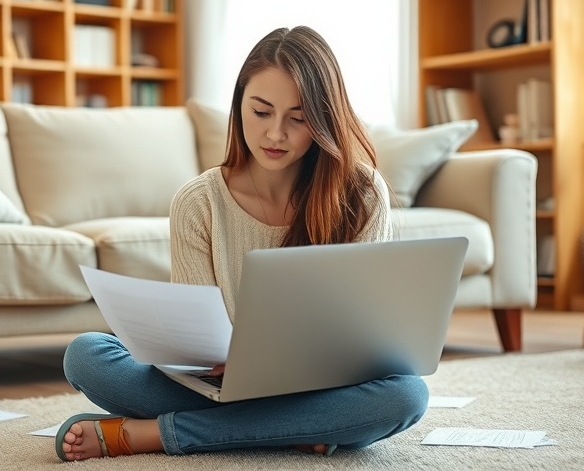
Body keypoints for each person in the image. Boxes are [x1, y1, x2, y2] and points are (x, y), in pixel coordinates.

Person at [56, 26, 427, 462]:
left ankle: (157, 434)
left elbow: (365, 338)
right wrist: (211, 356)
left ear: (325, 118)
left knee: (405, 395)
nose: (275, 134)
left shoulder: (362, 194)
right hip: (220, 388)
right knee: (86, 355)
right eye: (261, 111)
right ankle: (296, 431)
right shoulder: (199, 202)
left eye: (298, 117)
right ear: (238, 107)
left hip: (324, 384)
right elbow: (192, 348)